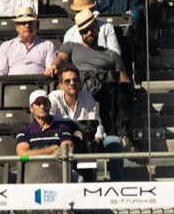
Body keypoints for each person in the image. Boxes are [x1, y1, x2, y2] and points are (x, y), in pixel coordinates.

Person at [44, 8, 136, 151]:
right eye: (85, 31)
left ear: (98, 28)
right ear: (80, 33)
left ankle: (120, 134)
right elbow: (61, 58)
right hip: (78, 85)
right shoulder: (72, 46)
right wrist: (54, 67)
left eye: (92, 29)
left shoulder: (111, 55)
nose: (89, 33)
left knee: (115, 88)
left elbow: (124, 79)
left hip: (105, 88)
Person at [49, 63, 124, 181]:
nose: (72, 83)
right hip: (65, 142)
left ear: (80, 82)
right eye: (67, 81)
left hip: (90, 140)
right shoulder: (54, 97)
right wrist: (75, 126)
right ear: (61, 85)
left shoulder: (88, 98)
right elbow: (50, 120)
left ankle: (117, 183)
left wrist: (97, 140)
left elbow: (97, 124)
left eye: (75, 80)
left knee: (116, 142)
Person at [0, 7, 57, 75]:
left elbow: (50, 71)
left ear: (35, 25)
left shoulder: (47, 45)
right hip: (13, 84)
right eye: (23, 23)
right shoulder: (6, 47)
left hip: (38, 84)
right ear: (17, 27)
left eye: (30, 23)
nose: (27, 25)